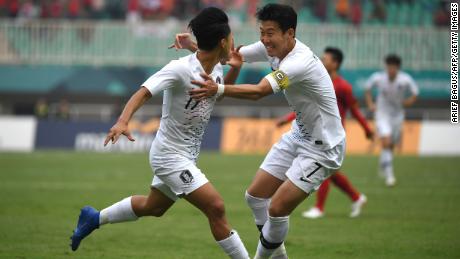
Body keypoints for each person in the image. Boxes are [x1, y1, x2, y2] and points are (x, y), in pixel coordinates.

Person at [70, 7, 250, 259]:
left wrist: (235, 67)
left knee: (153, 207)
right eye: (230, 36)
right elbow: (143, 91)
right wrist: (122, 121)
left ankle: (94, 217)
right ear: (223, 41)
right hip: (169, 155)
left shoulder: (215, 67)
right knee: (216, 207)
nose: (233, 40)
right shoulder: (179, 69)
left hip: (186, 155)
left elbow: (219, 91)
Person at [176, 4, 346, 258]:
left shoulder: (299, 62)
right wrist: (195, 45)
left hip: (323, 148)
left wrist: (218, 90)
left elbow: (260, 91)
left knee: (277, 209)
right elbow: (231, 55)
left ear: (290, 33)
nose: (265, 40)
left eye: (271, 33)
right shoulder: (271, 48)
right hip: (299, 134)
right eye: (262, 32)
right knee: (255, 198)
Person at [276, 47, 371, 219]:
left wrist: (367, 129)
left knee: (318, 167)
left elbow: (355, 110)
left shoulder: (343, 87)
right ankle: (356, 197)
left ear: (335, 63)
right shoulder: (317, 80)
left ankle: (319, 208)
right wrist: (287, 118)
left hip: (330, 137)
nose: (321, 60)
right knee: (329, 173)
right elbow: (307, 107)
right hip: (314, 132)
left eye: (325, 58)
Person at [365, 54, 418, 187]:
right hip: (382, 114)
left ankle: (383, 162)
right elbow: (367, 89)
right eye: (389, 67)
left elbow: (415, 93)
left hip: (397, 116)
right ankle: (390, 175)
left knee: (391, 145)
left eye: (393, 67)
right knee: (387, 141)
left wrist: (407, 102)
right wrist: (371, 103)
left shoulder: (405, 80)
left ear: (398, 68)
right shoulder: (378, 77)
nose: (390, 70)